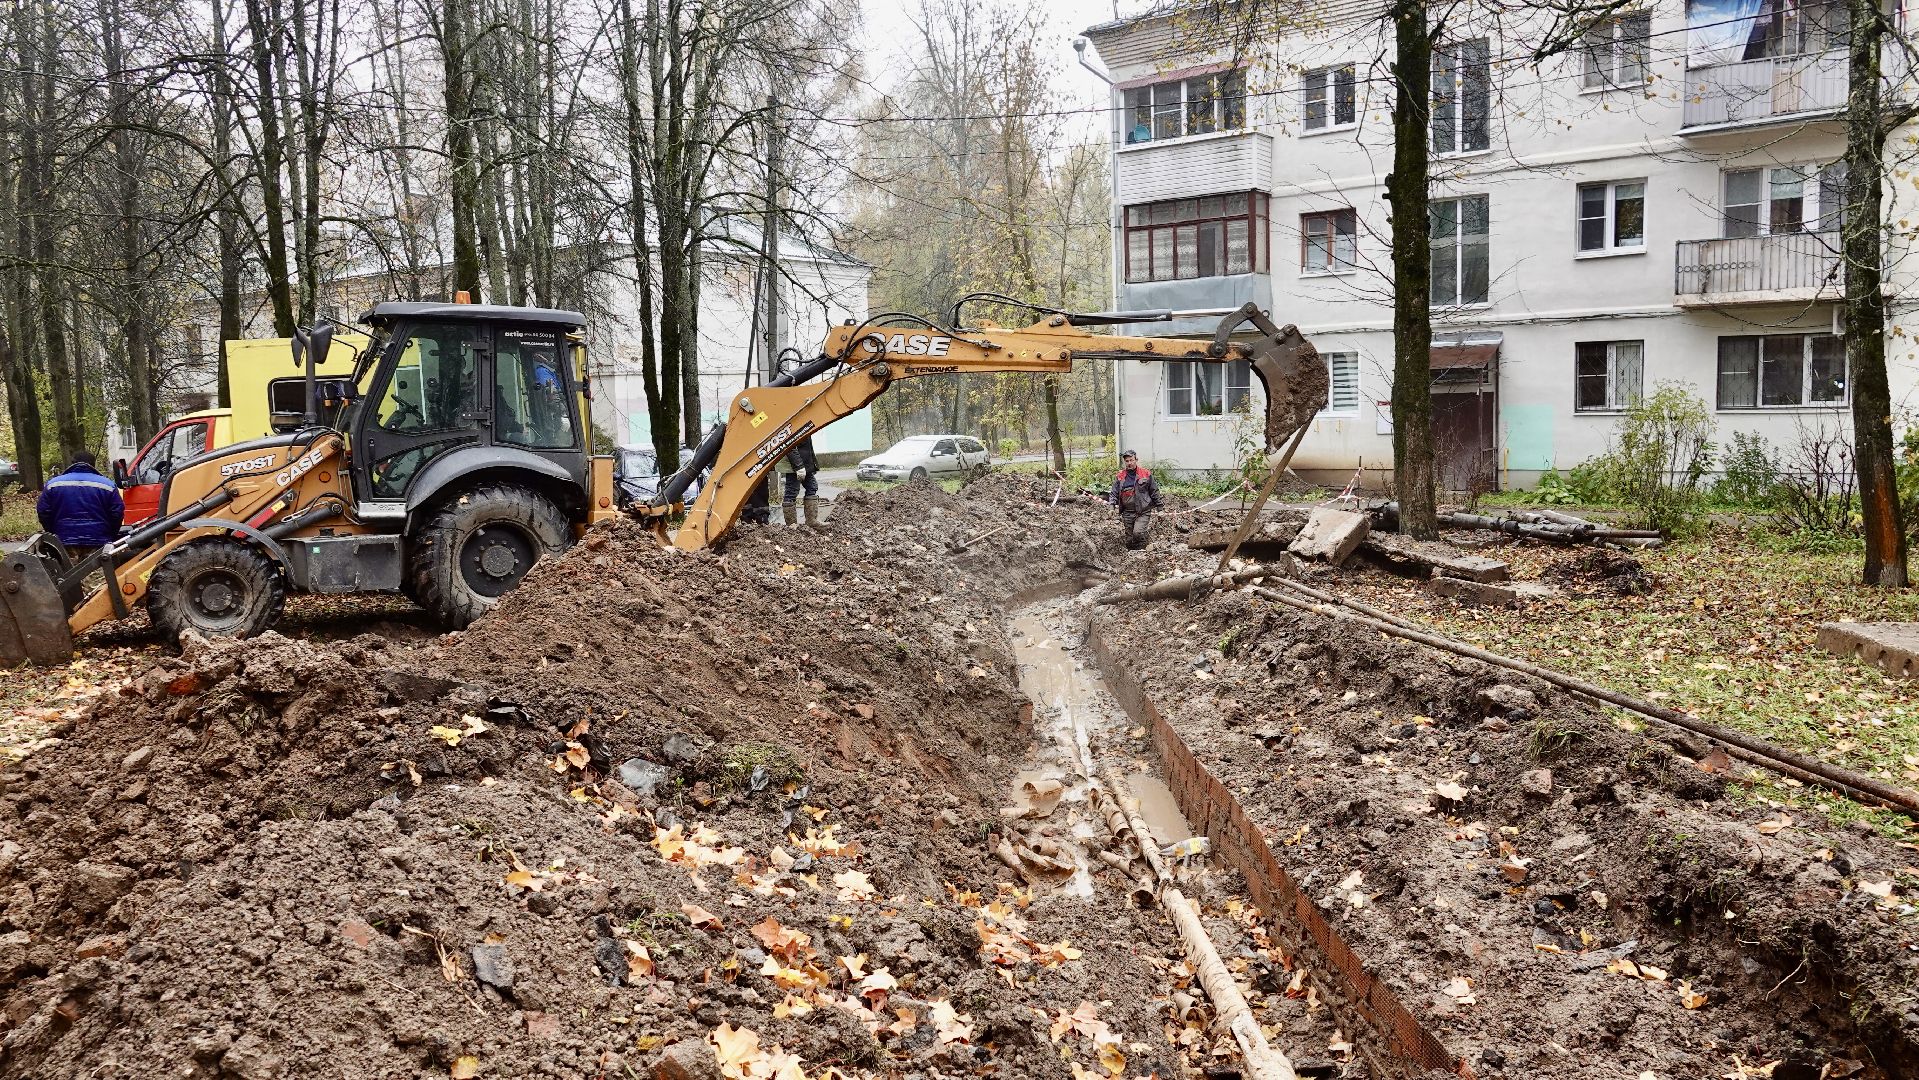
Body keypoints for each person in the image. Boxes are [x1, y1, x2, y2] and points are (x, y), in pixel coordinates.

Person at [37, 451, 124, 559]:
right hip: (98, 540)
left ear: (72, 463)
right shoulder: (107, 485)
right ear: (93, 464)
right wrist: (110, 535)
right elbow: (117, 512)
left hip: (64, 540)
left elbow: (43, 511)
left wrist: (53, 532)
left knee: (70, 575)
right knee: (97, 574)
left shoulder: (53, 484)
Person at [1109, 449, 1161, 550]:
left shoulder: (1145, 474)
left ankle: (1143, 550)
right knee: (1129, 539)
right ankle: (1131, 555)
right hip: (1127, 512)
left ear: (1136, 460)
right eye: (1127, 461)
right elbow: (1114, 492)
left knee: (1137, 533)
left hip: (1143, 511)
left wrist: (1160, 509)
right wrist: (1111, 507)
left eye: (1131, 460)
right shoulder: (1120, 476)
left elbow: (1154, 491)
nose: (1129, 463)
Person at [780, 436, 823, 527]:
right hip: (794, 465)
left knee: (812, 486)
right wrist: (798, 466)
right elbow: (790, 445)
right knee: (791, 491)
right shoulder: (795, 424)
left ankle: (812, 521)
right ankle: (792, 525)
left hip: (803, 463)